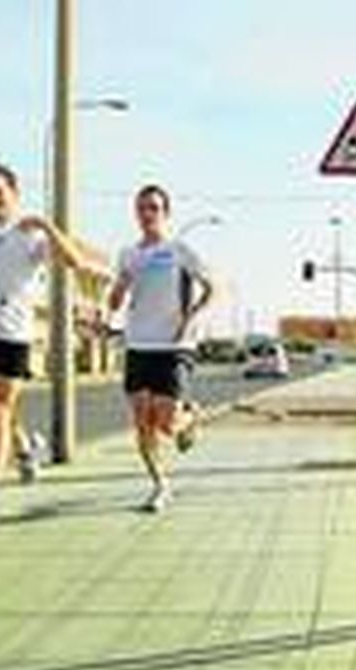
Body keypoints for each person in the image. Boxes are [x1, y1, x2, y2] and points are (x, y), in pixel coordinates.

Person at [0, 161, 105, 526]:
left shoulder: (31, 235)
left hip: (13, 334)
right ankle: (27, 449)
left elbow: (73, 261)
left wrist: (44, 224)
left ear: (14, 191)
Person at [107, 184, 215, 513]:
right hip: (138, 344)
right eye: (142, 208)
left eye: (153, 208)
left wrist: (190, 318)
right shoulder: (129, 253)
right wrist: (116, 294)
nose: (147, 214)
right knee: (142, 422)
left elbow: (212, 288)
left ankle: (191, 417)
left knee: (167, 424)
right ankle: (160, 485)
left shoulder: (179, 250)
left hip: (173, 345)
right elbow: (117, 297)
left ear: (165, 213)